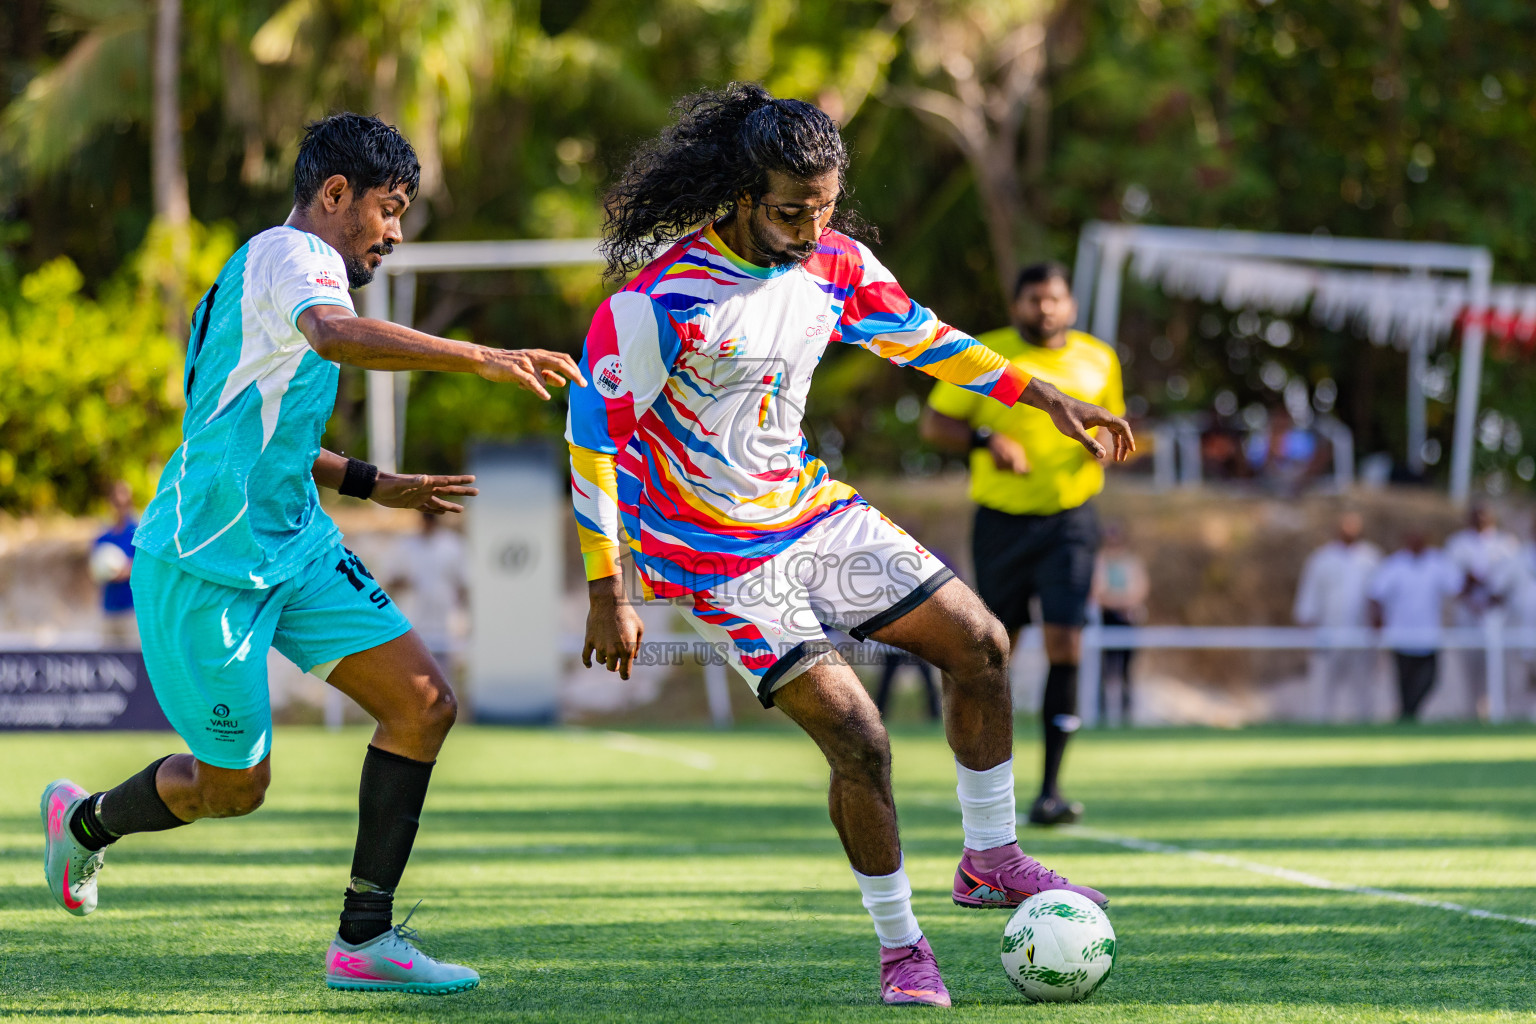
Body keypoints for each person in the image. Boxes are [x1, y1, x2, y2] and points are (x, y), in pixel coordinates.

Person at [570, 84, 1133, 1008]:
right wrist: (609, 587)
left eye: (825, 207)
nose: (810, 225)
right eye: (793, 210)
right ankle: (902, 948)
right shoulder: (655, 305)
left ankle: (990, 858)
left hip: (811, 514)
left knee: (983, 646)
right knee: (860, 737)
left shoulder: (835, 264)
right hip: (710, 554)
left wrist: (1047, 399)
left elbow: (929, 342)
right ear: (743, 194)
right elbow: (590, 440)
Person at [40, 113, 584, 994]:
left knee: (423, 707)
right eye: (390, 209)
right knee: (233, 789)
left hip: (295, 547)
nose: (396, 235)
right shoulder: (299, 261)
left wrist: (375, 483)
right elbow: (333, 337)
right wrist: (481, 356)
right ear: (336, 195)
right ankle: (87, 822)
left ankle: (363, 943)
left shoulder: (274, 273)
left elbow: (264, 430)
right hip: (204, 567)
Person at [920, 261, 1125, 827]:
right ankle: (986, 788)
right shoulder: (984, 354)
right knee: (993, 652)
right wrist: (987, 439)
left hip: (1071, 520)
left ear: (1071, 305)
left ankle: (1052, 790)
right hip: (1002, 523)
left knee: (1067, 644)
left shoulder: (1098, 358)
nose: (1046, 309)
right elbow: (935, 426)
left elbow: (1113, 418)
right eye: (1035, 299)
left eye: (1055, 299)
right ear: (1016, 306)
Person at [1293, 511, 1382, 722]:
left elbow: (1379, 596)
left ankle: (1365, 728)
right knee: (1322, 687)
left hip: (1361, 636)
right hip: (1327, 635)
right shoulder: (1322, 558)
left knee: (1363, 688)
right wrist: (1310, 629)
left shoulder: (1371, 557)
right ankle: (1319, 725)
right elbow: (1309, 596)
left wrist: (1377, 627)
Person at [1368, 529, 1462, 721]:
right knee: (1404, 682)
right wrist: (1377, 619)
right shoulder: (1395, 564)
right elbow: (1375, 594)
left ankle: (1407, 714)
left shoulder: (1437, 562)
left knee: (1429, 680)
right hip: (1401, 636)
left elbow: (1456, 586)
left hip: (1429, 636)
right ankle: (1408, 716)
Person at [1444, 504, 1520, 716]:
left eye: (1484, 514)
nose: (1480, 519)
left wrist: (1490, 592)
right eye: (1476, 515)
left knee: (1498, 668)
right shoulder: (1457, 544)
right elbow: (1452, 583)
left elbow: (1510, 581)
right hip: (1467, 615)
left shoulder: (1506, 543)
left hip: (1498, 618)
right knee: (1470, 668)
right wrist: (1470, 589)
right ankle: (1471, 713)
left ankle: (1499, 713)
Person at [387, 511, 469, 672]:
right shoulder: (406, 546)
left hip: (445, 627)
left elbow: (463, 583)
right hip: (413, 624)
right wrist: (405, 582)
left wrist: (462, 616)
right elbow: (390, 580)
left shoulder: (452, 545)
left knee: (443, 676)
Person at [1090, 522, 1148, 726]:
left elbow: (1139, 591)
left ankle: (1126, 714)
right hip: (1105, 620)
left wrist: (1121, 602)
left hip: (1127, 621)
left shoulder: (1132, 563)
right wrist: (1119, 602)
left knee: (1126, 669)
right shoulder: (1099, 562)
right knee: (1104, 669)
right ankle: (1101, 714)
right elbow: (1097, 593)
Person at [94, 480, 139, 649]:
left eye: (124, 503)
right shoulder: (103, 537)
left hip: (131, 610)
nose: (120, 508)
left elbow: (141, 567)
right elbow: (94, 569)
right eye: (116, 503)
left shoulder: (137, 533)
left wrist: (122, 570)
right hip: (109, 609)